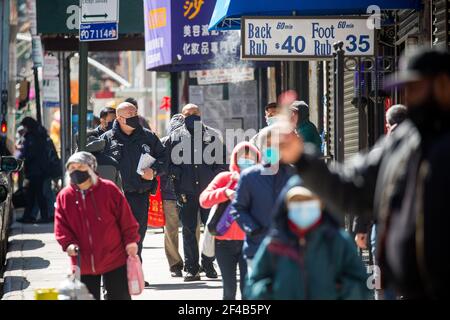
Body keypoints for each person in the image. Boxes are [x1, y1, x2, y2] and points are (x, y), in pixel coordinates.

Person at [279, 47, 450, 299]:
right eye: (407, 90)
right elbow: (352, 187)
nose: (411, 98)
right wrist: (301, 159)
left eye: (417, 88)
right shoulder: (402, 143)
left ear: (443, 85)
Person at [245, 176, 370, 300]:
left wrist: (340, 289)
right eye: (297, 202)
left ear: (321, 204)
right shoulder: (274, 244)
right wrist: (271, 290)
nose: (303, 208)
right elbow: (253, 285)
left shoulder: (338, 241)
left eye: (309, 201)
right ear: (286, 206)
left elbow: (361, 285)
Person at [54, 152, 140, 300]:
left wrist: (131, 241)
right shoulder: (65, 196)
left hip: (114, 257)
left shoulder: (109, 189)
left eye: (80, 166)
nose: (76, 171)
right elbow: (61, 225)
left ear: (92, 168)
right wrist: (68, 244)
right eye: (72, 168)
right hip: (83, 261)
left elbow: (126, 218)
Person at [101, 102, 166, 273]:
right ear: (119, 118)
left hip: (139, 195)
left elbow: (165, 159)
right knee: (114, 238)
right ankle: (114, 277)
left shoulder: (149, 137)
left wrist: (154, 171)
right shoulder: (107, 139)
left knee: (137, 238)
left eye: (135, 112)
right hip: (114, 198)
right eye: (129, 114)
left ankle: (134, 274)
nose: (134, 116)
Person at [165, 104, 227, 281]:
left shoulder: (212, 135)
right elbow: (168, 163)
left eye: (195, 113)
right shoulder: (175, 136)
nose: (192, 116)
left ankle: (208, 263)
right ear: (182, 117)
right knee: (188, 230)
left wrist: (215, 180)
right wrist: (178, 175)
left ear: (201, 114)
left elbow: (222, 163)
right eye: (188, 114)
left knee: (211, 228)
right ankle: (191, 267)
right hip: (186, 191)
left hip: (209, 191)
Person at [353, 103, 407, 300]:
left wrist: (360, 228)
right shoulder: (423, 146)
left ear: (387, 125)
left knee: (381, 279)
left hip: (382, 225)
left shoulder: (382, 151)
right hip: (413, 225)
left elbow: (366, 191)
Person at [232, 124, 296, 277]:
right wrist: (254, 229)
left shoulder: (295, 175)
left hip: (290, 249)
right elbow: (238, 208)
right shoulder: (249, 176)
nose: (273, 148)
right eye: (268, 144)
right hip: (257, 248)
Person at [200, 141, 261, 300]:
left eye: (250, 158)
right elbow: (204, 200)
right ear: (235, 159)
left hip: (250, 242)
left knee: (248, 290)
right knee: (229, 289)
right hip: (224, 243)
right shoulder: (225, 178)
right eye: (242, 158)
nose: (246, 162)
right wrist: (224, 192)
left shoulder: (261, 179)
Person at [160, 114, 185, 277]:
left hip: (188, 192)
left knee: (192, 229)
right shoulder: (163, 143)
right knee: (171, 230)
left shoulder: (193, 144)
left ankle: (191, 260)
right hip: (169, 192)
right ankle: (175, 264)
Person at [16, 117, 51, 224]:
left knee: (37, 195)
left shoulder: (32, 137)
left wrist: (21, 156)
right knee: (33, 194)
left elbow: (30, 154)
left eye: (25, 126)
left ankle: (40, 216)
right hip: (39, 170)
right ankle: (29, 216)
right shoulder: (38, 135)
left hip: (35, 170)